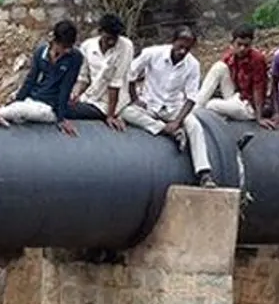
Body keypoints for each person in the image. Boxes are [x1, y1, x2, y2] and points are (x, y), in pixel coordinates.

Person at [122, 28, 215, 188]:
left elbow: (191, 97)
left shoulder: (193, 65)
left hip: (174, 108)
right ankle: (163, 130)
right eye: (180, 46)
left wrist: (178, 121)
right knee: (126, 112)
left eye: (187, 48)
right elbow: (130, 73)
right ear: (173, 42)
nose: (183, 51)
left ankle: (203, 172)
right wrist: (134, 98)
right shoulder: (152, 54)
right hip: (150, 104)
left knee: (194, 126)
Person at [0, 19, 82, 134]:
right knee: (18, 110)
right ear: (55, 41)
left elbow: (66, 88)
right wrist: (18, 100)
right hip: (33, 99)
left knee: (20, 110)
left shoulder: (75, 57)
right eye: (64, 47)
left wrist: (61, 118)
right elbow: (30, 80)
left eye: (69, 47)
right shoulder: (41, 52)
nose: (67, 50)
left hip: (49, 107)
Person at [71, 13, 135, 130]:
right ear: (100, 32)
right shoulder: (87, 46)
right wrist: (75, 93)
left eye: (114, 38)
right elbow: (83, 77)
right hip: (90, 97)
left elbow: (115, 84)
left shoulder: (126, 46)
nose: (111, 42)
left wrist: (110, 115)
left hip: (108, 104)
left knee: (67, 110)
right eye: (108, 38)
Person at [194, 23, 267, 122]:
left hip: (247, 106)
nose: (242, 49)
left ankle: (201, 111)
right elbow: (219, 74)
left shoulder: (257, 59)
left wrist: (259, 117)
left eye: (246, 45)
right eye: (239, 44)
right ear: (233, 43)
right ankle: (196, 107)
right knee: (219, 67)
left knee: (211, 104)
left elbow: (258, 88)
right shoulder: (231, 55)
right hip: (235, 97)